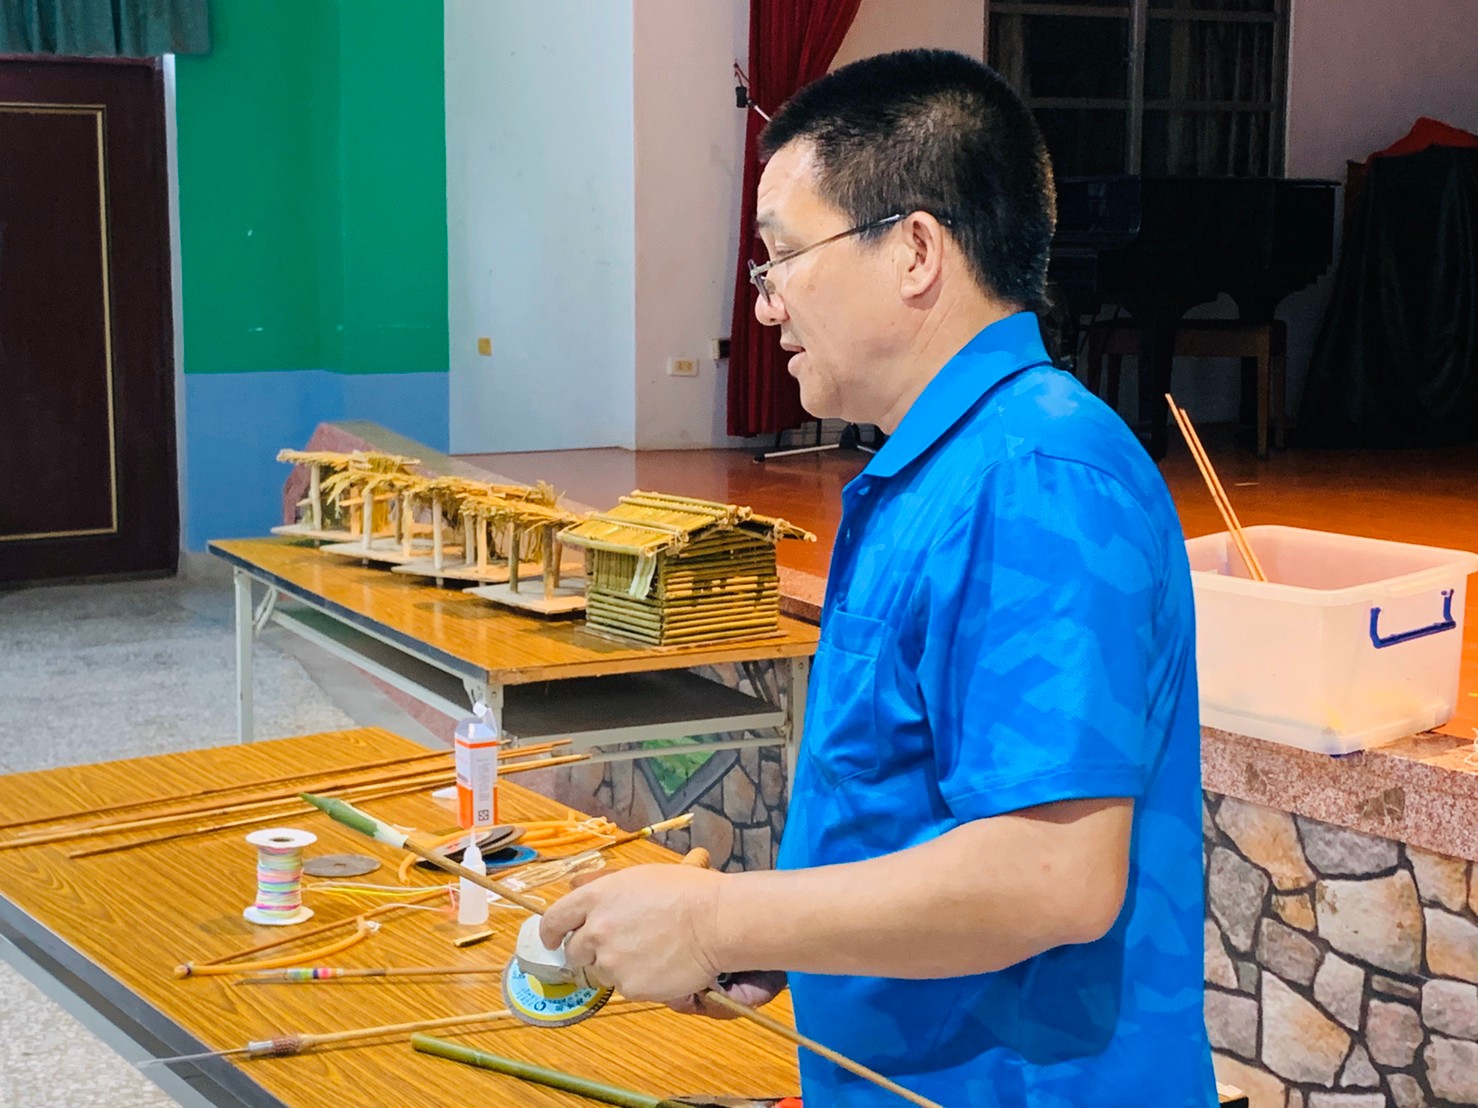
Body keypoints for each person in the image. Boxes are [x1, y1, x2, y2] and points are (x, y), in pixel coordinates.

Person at [542, 49, 1215, 1106]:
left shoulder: (1033, 475)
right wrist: (777, 936)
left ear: (913, 251)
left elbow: (1049, 875)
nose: (765, 305)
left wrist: (718, 918)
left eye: (779, 258)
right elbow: (911, 807)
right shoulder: (940, 466)